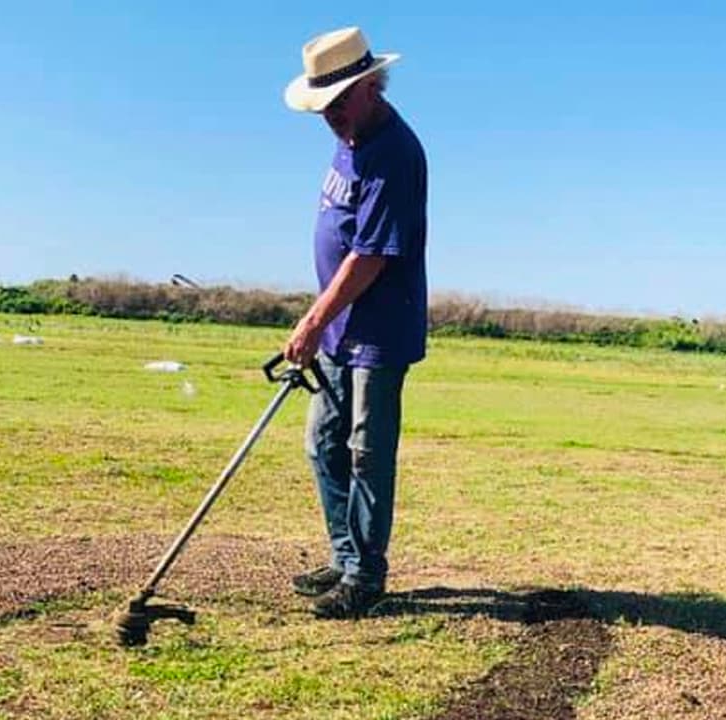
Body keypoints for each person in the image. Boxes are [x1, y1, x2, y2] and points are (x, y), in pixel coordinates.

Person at [281, 27, 428, 619]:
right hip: (339, 328)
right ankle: (345, 559)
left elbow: (370, 254)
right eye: (323, 105)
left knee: (367, 450)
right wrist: (323, 322)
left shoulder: (394, 151)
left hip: (378, 332)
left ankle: (366, 576)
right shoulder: (351, 137)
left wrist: (314, 320)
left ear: (370, 86)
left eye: (338, 101)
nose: (330, 115)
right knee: (323, 443)